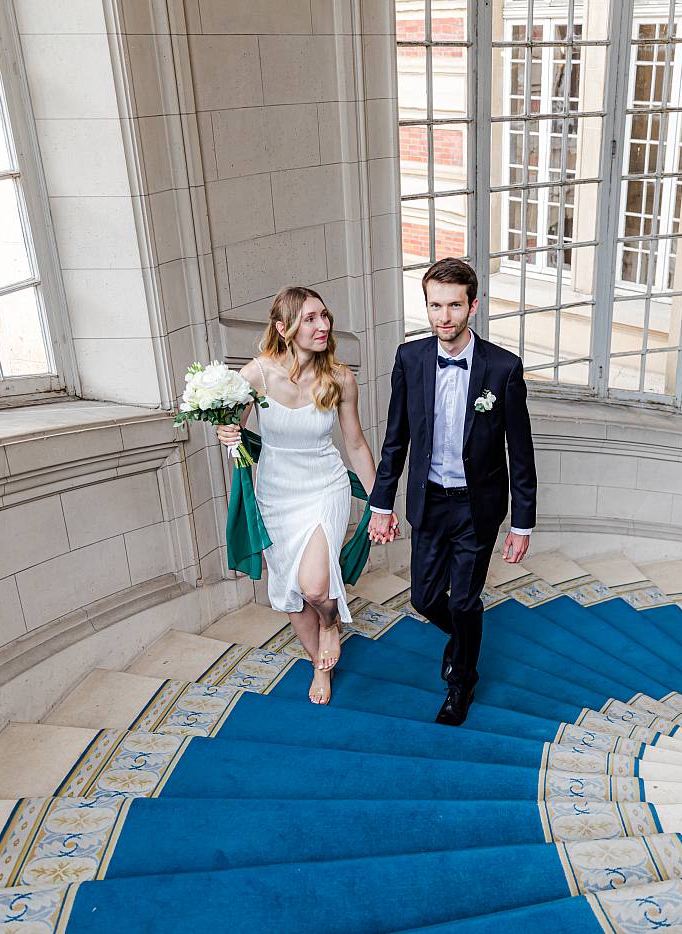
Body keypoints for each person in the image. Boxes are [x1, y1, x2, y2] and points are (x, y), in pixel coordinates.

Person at [368, 258, 537, 726]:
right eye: (435, 305)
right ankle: (464, 640)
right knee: (424, 598)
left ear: (473, 306)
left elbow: (520, 453)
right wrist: (381, 503)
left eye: (454, 306)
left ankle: (461, 682)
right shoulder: (411, 358)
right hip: (429, 501)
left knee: (463, 600)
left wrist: (522, 524)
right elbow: (395, 437)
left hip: (475, 508)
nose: (444, 316)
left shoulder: (503, 369)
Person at [217, 286, 376, 705]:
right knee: (291, 586)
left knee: (315, 588)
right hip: (276, 493)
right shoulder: (256, 375)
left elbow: (356, 444)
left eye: (324, 316)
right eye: (310, 319)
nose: (323, 325)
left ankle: (329, 623)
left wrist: (381, 504)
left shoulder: (340, 377)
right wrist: (226, 431)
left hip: (324, 485)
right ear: (283, 328)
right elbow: (233, 431)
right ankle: (318, 667)